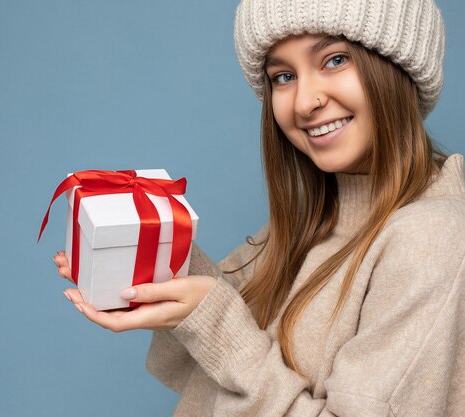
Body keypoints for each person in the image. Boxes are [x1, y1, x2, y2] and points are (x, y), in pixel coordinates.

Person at [54, 0, 465, 415]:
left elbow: (230, 338)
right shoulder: (310, 226)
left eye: (335, 59)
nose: (304, 102)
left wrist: (216, 324)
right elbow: (223, 354)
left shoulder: (429, 239)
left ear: (399, 67)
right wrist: (154, 254)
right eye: (283, 76)